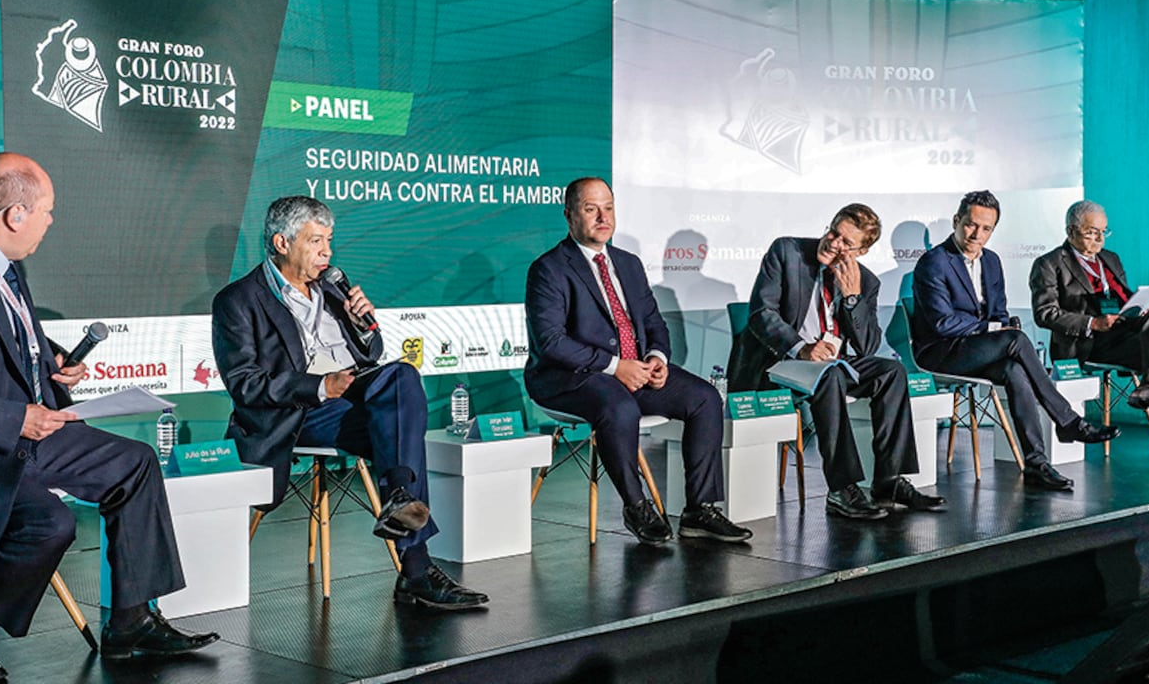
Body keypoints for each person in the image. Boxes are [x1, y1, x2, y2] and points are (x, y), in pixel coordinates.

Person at [0, 153, 217, 683]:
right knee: (49, 524)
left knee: (135, 462)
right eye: (47, 211)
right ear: (15, 213)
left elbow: (5, 333)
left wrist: (50, 356)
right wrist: (16, 418)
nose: (51, 222)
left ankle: (131, 621)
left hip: (23, 435)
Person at [211, 196, 487, 611]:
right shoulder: (238, 300)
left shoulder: (332, 285)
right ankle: (416, 568)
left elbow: (371, 353)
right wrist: (321, 387)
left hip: (352, 393)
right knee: (398, 427)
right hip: (297, 413)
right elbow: (245, 385)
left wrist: (363, 325)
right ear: (282, 243)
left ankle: (399, 497)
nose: (328, 252)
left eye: (329, 240)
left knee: (403, 376)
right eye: (316, 241)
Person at [524, 177, 751, 546]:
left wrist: (656, 358)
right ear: (569, 216)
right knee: (619, 406)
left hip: (634, 369)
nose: (603, 217)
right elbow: (551, 343)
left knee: (704, 398)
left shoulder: (627, 264)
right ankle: (636, 506)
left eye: (609, 208)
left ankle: (699, 509)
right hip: (570, 377)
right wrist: (616, 367)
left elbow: (652, 322)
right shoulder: (549, 268)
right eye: (590, 208)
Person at [726, 204, 945, 520]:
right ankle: (842, 489)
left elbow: (867, 347)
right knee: (826, 376)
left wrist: (853, 298)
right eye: (833, 232)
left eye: (846, 242)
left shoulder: (866, 282)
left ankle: (889, 481)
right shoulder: (787, 251)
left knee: (892, 372)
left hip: (834, 364)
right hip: (780, 362)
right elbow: (762, 314)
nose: (833, 243)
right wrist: (801, 348)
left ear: (862, 251)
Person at [912, 190, 1118, 491]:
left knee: (1015, 370)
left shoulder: (992, 261)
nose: (977, 233)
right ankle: (1068, 421)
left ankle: (1036, 463)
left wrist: (998, 326)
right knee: (1016, 340)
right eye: (971, 224)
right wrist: (993, 328)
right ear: (957, 221)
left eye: (986, 229)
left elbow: (999, 312)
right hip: (941, 351)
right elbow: (943, 323)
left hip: (977, 348)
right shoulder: (934, 262)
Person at [1030, 199, 1149, 410]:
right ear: (1071, 230)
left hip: (1124, 329)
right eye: (1092, 232)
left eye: (1103, 232)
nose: (1099, 238)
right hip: (1088, 343)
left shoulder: (1110, 258)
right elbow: (1044, 313)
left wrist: (1143, 307)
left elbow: (1124, 297)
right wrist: (1092, 323)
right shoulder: (1049, 264)